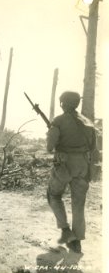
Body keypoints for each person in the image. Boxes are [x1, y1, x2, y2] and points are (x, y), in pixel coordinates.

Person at [46, 91, 97, 254]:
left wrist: (52, 133)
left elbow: (49, 147)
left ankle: (65, 230)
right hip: (83, 164)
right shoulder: (88, 123)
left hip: (64, 164)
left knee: (53, 195)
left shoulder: (59, 121)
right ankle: (77, 241)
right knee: (78, 203)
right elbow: (93, 147)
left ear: (63, 104)